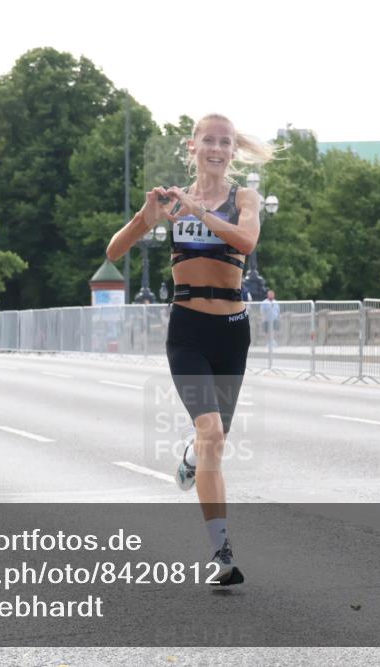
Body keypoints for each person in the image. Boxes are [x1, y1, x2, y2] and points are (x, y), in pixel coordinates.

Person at [107, 112, 273, 586]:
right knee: (213, 433)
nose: (217, 149)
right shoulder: (171, 201)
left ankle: (191, 458)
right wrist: (148, 216)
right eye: (209, 141)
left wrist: (196, 212)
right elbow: (115, 251)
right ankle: (222, 554)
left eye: (225, 142)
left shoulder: (244, 198)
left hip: (232, 333)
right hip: (188, 332)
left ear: (232, 151)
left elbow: (246, 240)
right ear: (192, 146)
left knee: (212, 443)